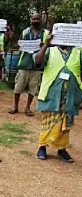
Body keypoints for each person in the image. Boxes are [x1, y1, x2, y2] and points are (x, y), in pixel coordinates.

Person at [34, 35, 82, 163]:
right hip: (51, 93)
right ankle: (42, 146)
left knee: (67, 122)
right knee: (48, 121)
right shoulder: (51, 51)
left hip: (71, 94)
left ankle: (62, 149)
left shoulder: (78, 51)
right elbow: (38, 62)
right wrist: (46, 44)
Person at [9, 13, 49, 116]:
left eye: (38, 19)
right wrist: (19, 45)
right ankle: (15, 106)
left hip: (37, 65)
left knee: (33, 87)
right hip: (24, 62)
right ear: (31, 20)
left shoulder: (46, 33)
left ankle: (28, 107)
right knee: (19, 86)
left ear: (41, 20)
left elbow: (48, 48)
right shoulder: (26, 32)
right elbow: (20, 44)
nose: (36, 21)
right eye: (34, 19)